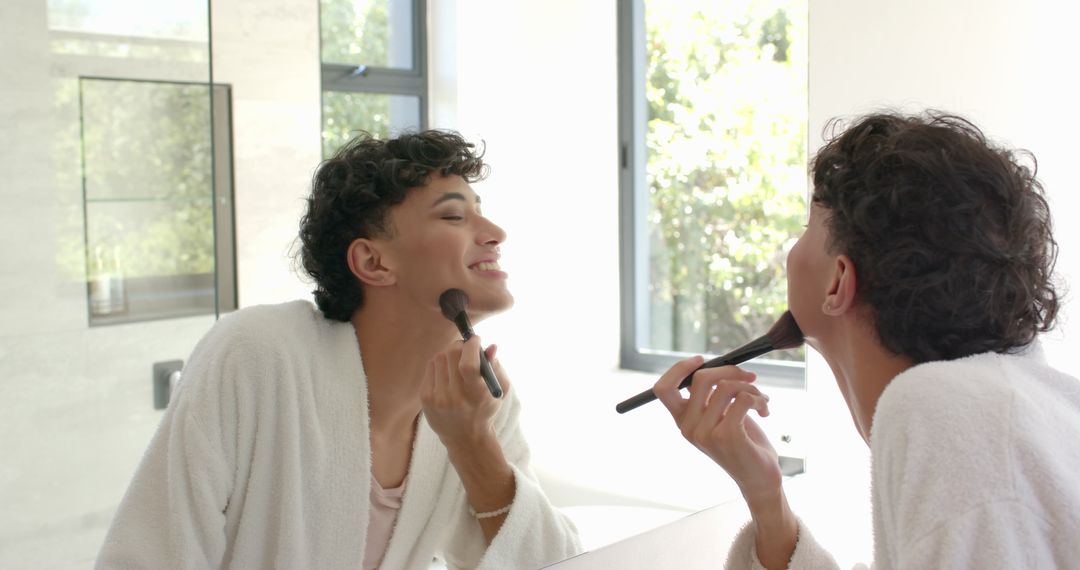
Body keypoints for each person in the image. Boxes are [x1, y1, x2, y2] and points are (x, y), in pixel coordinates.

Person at [96, 130, 581, 569]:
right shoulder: (257, 355)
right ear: (372, 261)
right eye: (454, 214)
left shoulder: (477, 398)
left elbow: (554, 562)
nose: (495, 233)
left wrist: (472, 441)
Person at [652, 111, 1080, 568]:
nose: (787, 257)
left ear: (838, 281)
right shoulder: (1015, 404)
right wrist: (766, 496)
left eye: (805, 229)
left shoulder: (941, 409)